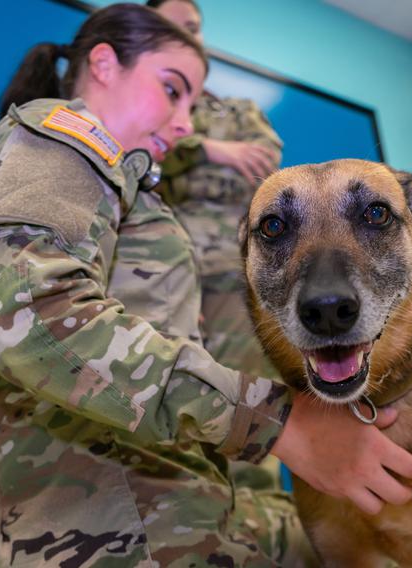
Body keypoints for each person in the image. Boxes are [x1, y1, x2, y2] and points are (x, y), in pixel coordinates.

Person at [0, 4, 412, 567]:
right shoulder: (63, 135)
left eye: (193, 102)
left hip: (165, 519)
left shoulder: (137, 189)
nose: (186, 122)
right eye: (172, 90)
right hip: (110, 538)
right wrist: (279, 424)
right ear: (104, 64)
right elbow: (37, 326)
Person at [147, 0, 283, 380]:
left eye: (191, 27)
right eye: (168, 27)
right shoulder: (143, 104)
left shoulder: (238, 111)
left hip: (234, 269)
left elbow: (263, 161)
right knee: (166, 384)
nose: (183, 37)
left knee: (250, 385)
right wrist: (211, 150)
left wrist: (179, 161)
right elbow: (140, 163)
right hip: (162, 272)